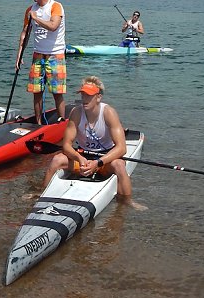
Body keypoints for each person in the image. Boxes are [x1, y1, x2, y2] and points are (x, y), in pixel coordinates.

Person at [43, 76, 144, 209]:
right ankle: (41, 194)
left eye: (89, 96)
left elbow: (121, 149)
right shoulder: (76, 113)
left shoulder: (109, 113)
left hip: (104, 160)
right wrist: (79, 158)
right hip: (82, 156)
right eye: (83, 95)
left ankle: (127, 202)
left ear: (98, 97)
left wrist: (98, 163)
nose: (84, 99)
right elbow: (66, 145)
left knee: (119, 165)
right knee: (57, 160)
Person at [15, 0, 66, 124]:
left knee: (57, 93)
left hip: (55, 55)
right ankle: (38, 123)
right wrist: (19, 56)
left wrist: (36, 19)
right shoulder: (30, 10)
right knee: (36, 92)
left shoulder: (55, 6)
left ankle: (62, 123)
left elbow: (53, 25)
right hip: (38, 55)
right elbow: (25, 33)